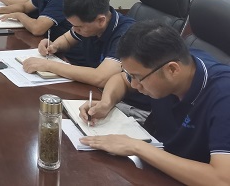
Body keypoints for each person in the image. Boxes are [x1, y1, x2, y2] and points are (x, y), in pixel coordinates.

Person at [78, 21, 230, 186]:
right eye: (131, 76)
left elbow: (222, 179)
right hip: (160, 164)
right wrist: (106, 103)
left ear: (172, 70)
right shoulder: (170, 63)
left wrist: (137, 147)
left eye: (138, 77)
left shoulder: (223, 94)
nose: (134, 84)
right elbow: (121, 79)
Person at [22, 0, 135, 87]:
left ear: (101, 20)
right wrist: (54, 46)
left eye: (78, 27)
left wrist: (48, 65)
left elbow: (101, 77)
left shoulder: (127, 35)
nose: (75, 30)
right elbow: (67, 39)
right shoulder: (89, 23)